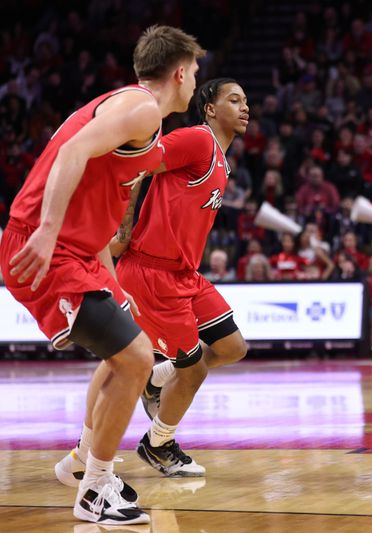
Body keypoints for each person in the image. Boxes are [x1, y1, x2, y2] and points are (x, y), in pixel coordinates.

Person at [0, 25, 204, 525]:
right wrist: (47, 230)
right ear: (179, 72)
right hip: (46, 246)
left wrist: (111, 279)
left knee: (127, 353)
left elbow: (99, 199)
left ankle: (81, 465)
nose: (197, 81)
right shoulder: (140, 108)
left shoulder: (134, 113)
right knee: (136, 358)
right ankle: (95, 490)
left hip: (81, 252)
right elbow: (70, 155)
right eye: (195, 72)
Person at [59, 79, 250, 482]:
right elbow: (135, 165)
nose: (244, 107)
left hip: (185, 274)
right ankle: (158, 443)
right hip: (152, 273)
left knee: (232, 347)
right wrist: (123, 228)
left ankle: (155, 378)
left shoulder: (221, 159)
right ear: (210, 109)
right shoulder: (198, 140)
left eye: (246, 101)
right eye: (234, 100)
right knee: (193, 370)